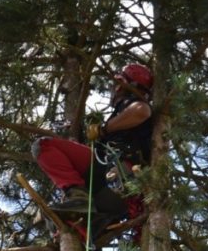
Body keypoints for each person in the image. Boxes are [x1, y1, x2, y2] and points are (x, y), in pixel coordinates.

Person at [31, 63, 154, 226]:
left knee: (43, 146)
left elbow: (141, 110)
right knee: (67, 221)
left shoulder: (130, 103)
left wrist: (104, 129)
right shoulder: (124, 117)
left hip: (118, 178)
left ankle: (79, 199)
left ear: (120, 84)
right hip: (113, 193)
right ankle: (82, 214)